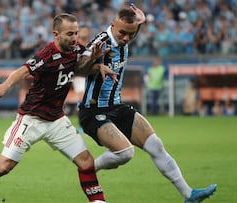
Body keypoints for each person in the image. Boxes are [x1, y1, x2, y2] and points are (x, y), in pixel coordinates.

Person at [0, 13, 116, 203]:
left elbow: (78, 68)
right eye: (69, 34)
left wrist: (98, 68)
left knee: (86, 162)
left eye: (76, 33)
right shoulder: (46, 56)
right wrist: (5, 86)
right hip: (31, 119)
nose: (74, 38)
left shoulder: (76, 50)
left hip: (56, 120)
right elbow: (22, 71)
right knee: (4, 166)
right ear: (56, 34)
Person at [78, 4, 217, 203]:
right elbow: (77, 69)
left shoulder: (127, 33)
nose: (126, 38)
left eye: (131, 34)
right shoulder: (101, 41)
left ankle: (189, 195)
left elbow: (130, 27)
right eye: (123, 33)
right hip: (92, 110)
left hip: (116, 106)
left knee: (155, 145)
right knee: (125, 153)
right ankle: (89, 169)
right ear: (112, 25)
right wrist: (94, 60)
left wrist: (141, 22)